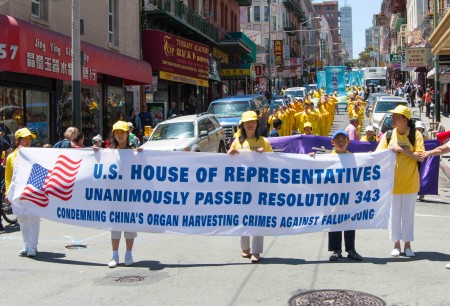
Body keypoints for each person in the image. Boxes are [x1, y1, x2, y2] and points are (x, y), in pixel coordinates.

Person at [376, 105, 424, 258]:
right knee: (394, 215)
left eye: (396, 116)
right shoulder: (388, 135)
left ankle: (408, 244)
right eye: (393, 116)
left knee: (408, 215)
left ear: (405, 119)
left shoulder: (415, 135)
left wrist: (404, 151)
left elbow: (421, 156)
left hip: (410, 182)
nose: (393, 119)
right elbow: (378, 154)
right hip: (392, 183)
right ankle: (396, 244)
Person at [228, 111, 273, 263]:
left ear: (256, 123)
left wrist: (264, 154)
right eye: (247, 122)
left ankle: (257, 251)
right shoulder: (237, 142)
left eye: (252, 121)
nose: (250, 124)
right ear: (242, 125)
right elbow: (228, 161)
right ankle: (245, 248)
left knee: (258, 218)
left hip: (259, 186)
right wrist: (231, 153)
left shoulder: (264, 142)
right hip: (242, 186)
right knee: (244, 216)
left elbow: (273, 162)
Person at [107, 121, 143, 268]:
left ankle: (129, 254)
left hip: (130, 196)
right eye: (117, 132)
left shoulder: (134, 152)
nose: (119, 135)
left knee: (129, 226)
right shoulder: (108, 152)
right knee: (115, 227)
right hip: (114, 196)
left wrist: (141, 155)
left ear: (128, 134)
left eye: (122, 132)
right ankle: (114, 255)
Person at [323, 130, 363, 262]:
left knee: (350, 222)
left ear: (348, 142)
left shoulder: (354, 158)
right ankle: (336, 250)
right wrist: (311, 157)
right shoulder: (327, 158)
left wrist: (371, 159)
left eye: (343, 140)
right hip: (333, 196)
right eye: (337, 141)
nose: (340, 143)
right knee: (334, 221)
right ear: (332, 143)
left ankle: (351, 249)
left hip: (349, 195)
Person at [4, 128, 39, 257]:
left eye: (29, 138)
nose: (28, 141)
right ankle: (26, 244)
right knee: (22, 219)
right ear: (18, 140)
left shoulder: (35, 154)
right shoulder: (11, 157)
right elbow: (8, 177)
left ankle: (33, 246)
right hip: (17, 191)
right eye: (25, 139)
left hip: (31, 191)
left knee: (33, 218)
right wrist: (8, 192)